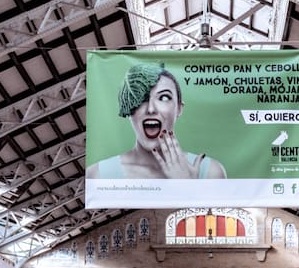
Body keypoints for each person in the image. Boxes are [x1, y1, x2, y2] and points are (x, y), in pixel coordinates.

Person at [86, 61, 227, 181]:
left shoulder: (210, 172)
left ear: (179, 109)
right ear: (129, 108)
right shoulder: (99, 174)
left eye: (164, 98)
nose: (151, 109)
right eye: (141, 98)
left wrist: (189, 188)